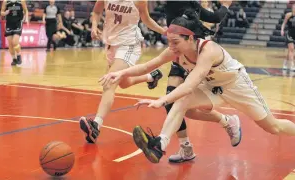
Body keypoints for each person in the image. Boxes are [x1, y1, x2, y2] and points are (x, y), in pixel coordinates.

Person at [99, 11, 295, 164]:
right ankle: (160, 144)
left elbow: (192, 82)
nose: (172, 47)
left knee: (273, 127)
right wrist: (121, 73)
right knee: (182, 102)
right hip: (213, 87)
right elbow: (149, 65)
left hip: (237, 86)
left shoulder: (208, 50)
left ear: (191, 39)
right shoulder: (176, 49)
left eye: (175, 42)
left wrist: (161, 100)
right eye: (169, 42)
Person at [79, 0, 166, 143]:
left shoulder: (139, 1)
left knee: (110, 82)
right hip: (111, 44)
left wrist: (163, 31)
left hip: (129, 44)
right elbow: (96, 11)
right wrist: (94, 27)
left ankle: (96, 126)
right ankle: (151, 77)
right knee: (124, 83)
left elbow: (146, 20)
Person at [160, 0, 234, 163]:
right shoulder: (177, 5)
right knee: (172, 102)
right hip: (180, 55)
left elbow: (215, 17)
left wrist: (225, 6)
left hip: (194, 56)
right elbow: (215, 17)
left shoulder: (190, 6)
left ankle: (225, 121)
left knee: (179, 103)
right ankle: (187, 146)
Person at [0, 0, 28, 66]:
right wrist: (4, 13)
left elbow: (26, 10)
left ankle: (19, 56)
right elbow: (1, 12)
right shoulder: (5, 1)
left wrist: (26, 18)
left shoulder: (21, 1)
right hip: (9, 24)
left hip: (18, 22)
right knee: (10, 44)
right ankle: (14, 59)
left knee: (15, 42)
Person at [281, 4, 295, 71]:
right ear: (292, 8)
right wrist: (282, 30)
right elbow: (284, 23)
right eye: (294, 7)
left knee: (290, 51)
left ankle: (285, 63)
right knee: (291, 49)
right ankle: (292, 65)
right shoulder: (288, 15)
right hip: (290, 34)